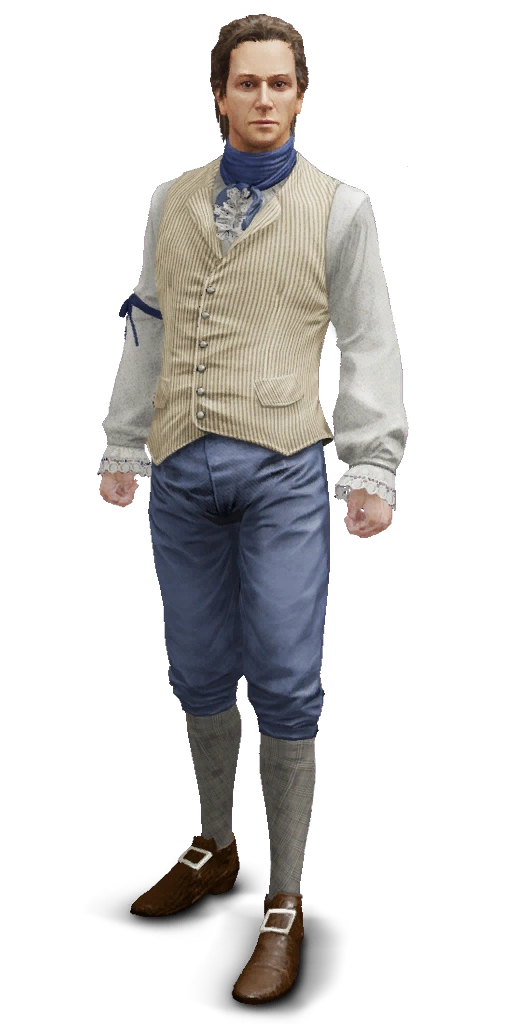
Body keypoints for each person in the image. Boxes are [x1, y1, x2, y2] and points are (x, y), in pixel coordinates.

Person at [98, 15, 407, 1005]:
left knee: (281, 671)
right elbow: (147, 329)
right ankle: (213, 844)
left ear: (301, 96)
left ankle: (284, 894)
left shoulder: (339, 209)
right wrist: (121, 442)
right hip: (181, 471)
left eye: (280, 83)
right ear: (219, 95)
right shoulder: (172, 201)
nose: (263, 98)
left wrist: (373, 464)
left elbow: (367, 340)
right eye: (246, 83)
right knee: (194, 662)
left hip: (281, 469)